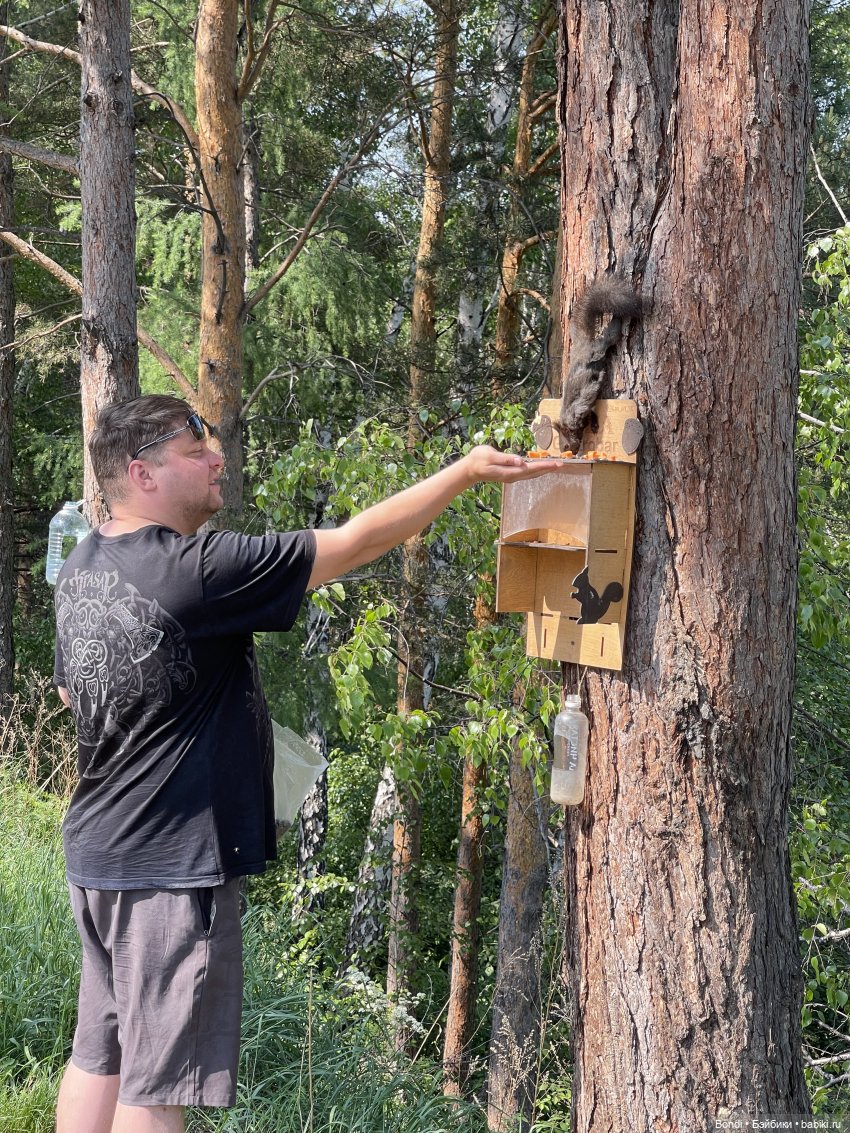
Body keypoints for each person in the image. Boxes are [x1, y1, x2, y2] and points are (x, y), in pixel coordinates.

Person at [53, 393, 566, 1133]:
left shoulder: (82, 565)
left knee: (97, 1056)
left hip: (97, 855)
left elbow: (75, 691)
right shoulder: (196, 571)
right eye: (195, 448)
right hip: (171, 872)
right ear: (142, 473)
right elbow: (354, 542)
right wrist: (465, 472)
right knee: (157, 1081)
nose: (216, 456)